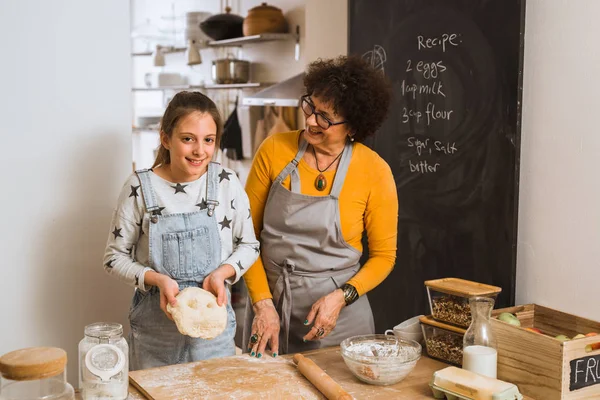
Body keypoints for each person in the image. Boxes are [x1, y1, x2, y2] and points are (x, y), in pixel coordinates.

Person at [243, 55, 398, 358]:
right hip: (270, 313)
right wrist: (263, 304)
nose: (312, 120)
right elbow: (244, 236)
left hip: (340, 320)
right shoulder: (274, 151)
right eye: (310, 107)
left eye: (325, 117)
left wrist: (342, 297)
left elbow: (384, 257)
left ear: (352, 126)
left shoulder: (374, 171)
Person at [103, 91, 259, 370]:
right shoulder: (139, 187)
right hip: (156, 337)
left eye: (208, 140)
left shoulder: (226, 183)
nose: (200, 151)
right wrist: (157, 280)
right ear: (165, 139)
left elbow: (250, 245)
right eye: (188, 139)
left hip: (214, 335)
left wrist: (222, 274)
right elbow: (114, 258)